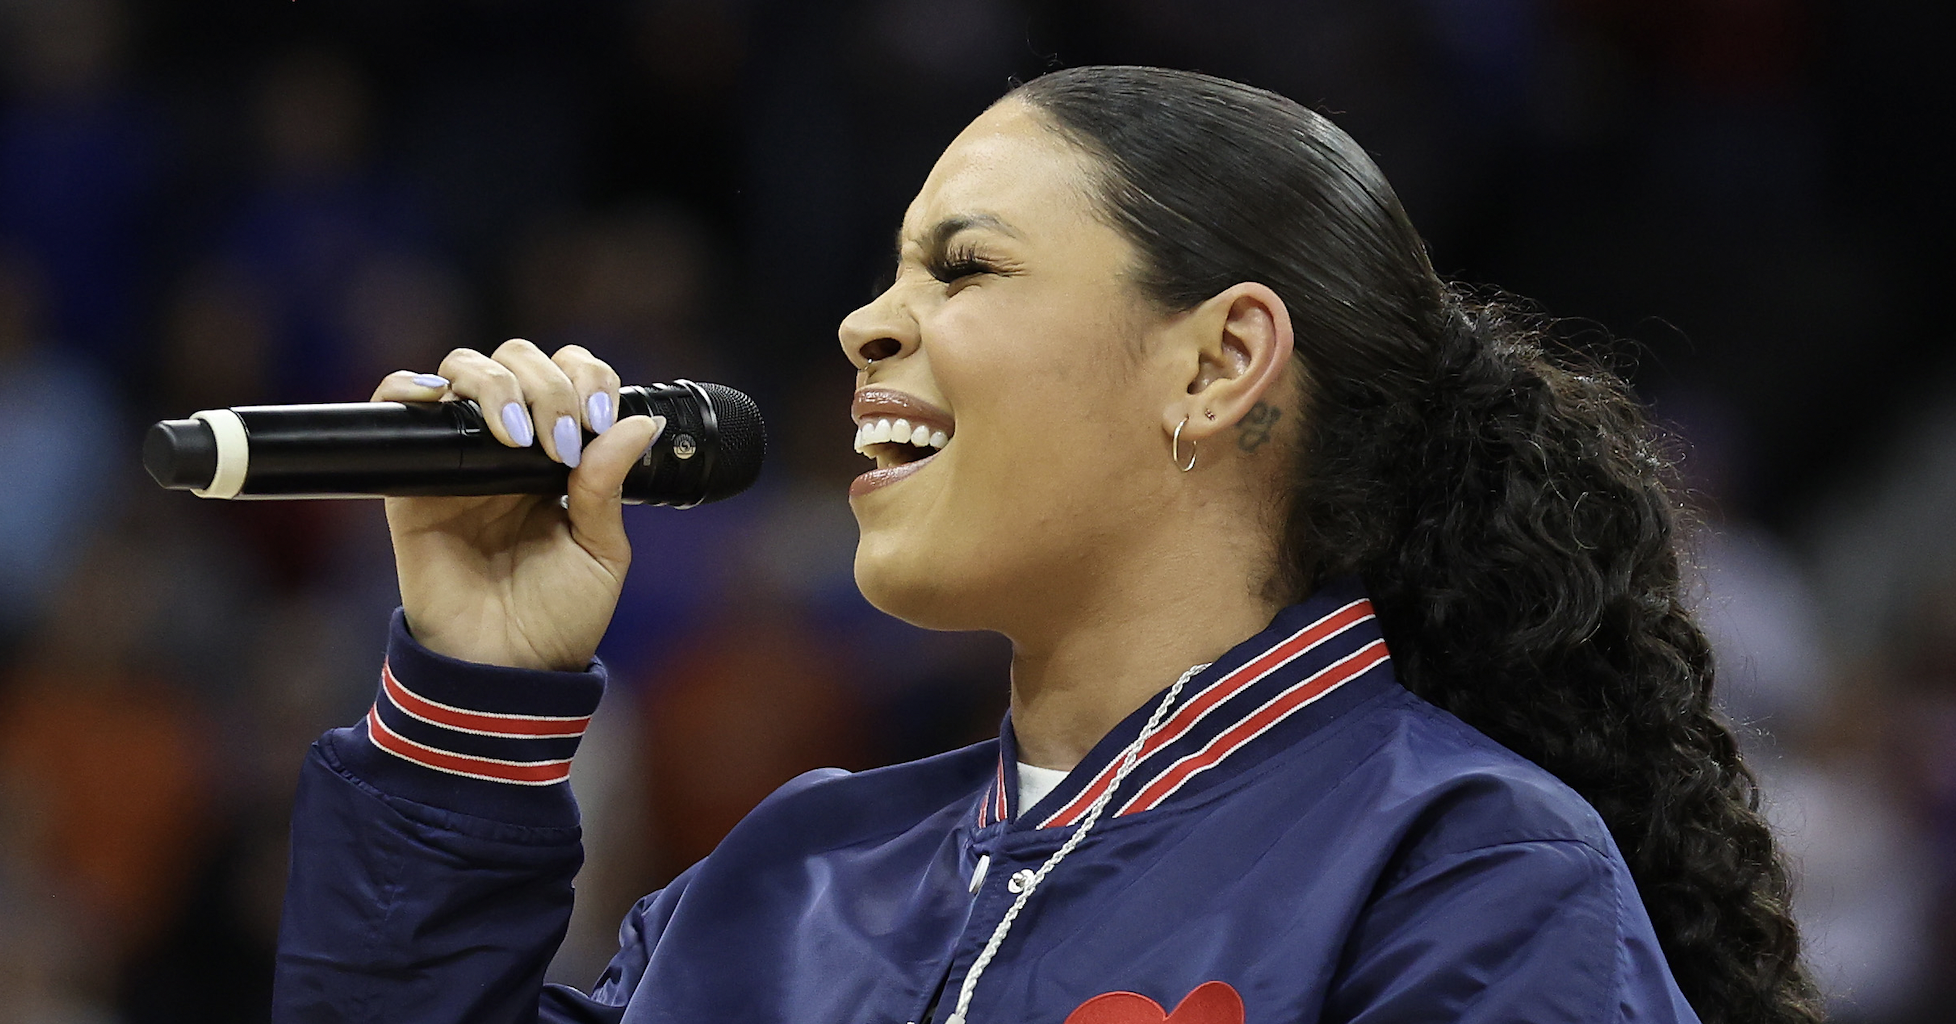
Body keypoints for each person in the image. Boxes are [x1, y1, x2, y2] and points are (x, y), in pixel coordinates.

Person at [271, 67, 1819, 1024]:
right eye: (891, 270)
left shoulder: (1465, 870)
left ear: (1217, 365)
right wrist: (474, 697)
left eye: (965, 266)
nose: (866, 321)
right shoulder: (792, 875)